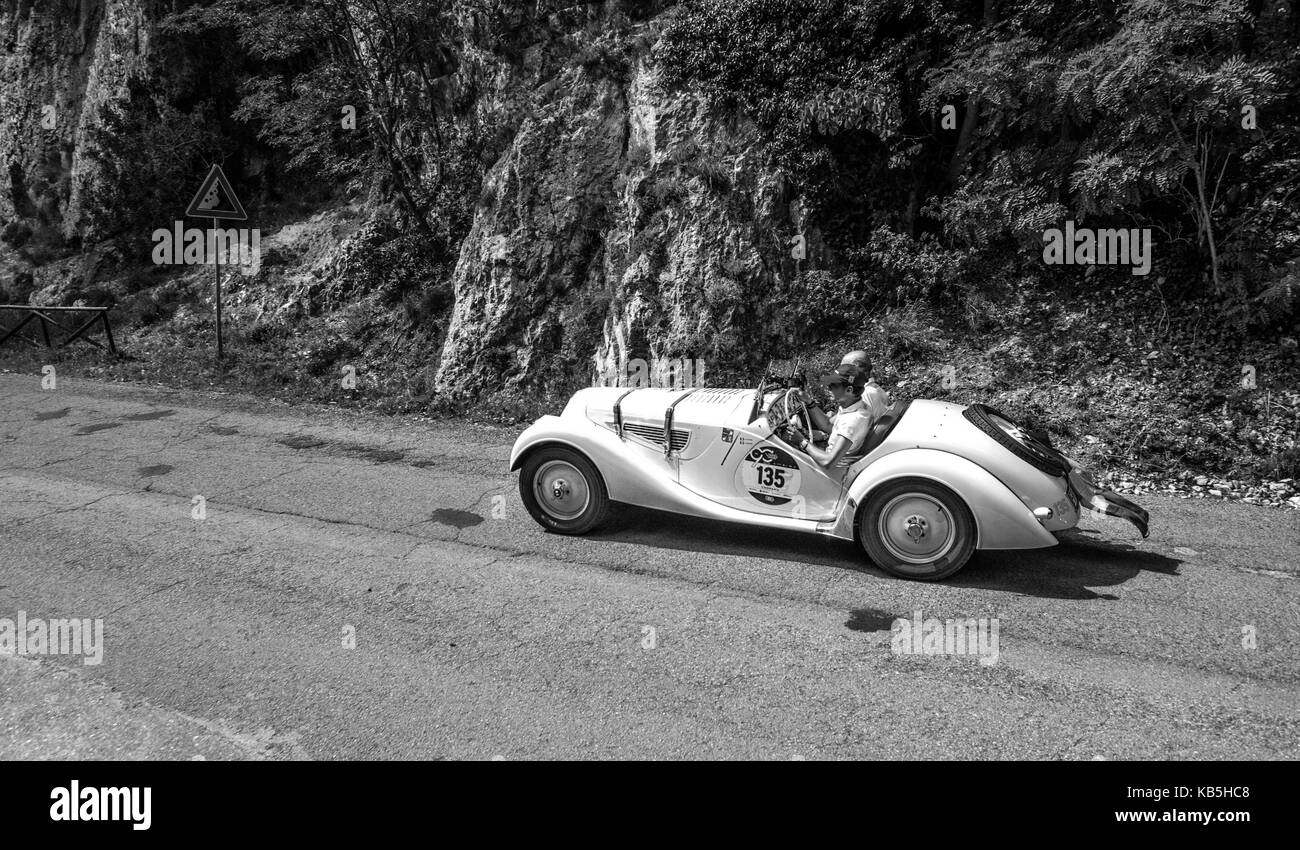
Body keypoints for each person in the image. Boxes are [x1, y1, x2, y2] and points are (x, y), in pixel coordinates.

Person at [791, 361, 875, 469]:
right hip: (829, 456)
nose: (828, 388)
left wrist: (802, 441)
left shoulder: (853, 420)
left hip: (832, 470)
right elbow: (827, 425)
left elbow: (828, 462)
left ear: (849, 390)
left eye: (833, 385)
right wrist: (808, 401)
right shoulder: (855, 407)